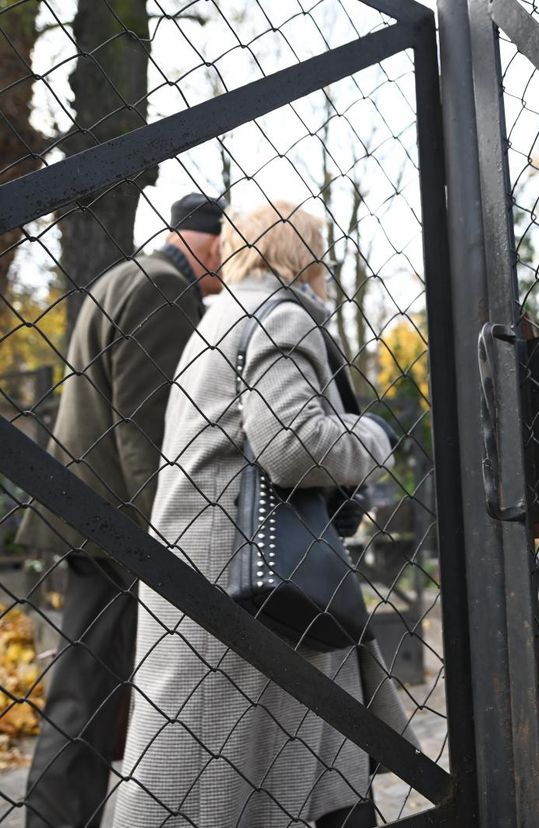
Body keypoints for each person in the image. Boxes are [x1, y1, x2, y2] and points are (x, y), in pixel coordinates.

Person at [113, 201, 411, 828]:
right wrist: (375, 436)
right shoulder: (279, 316)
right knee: (282, 775)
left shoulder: (220, 316)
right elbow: (293, 445)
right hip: (256, 587)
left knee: (221, 772)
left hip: (207, 573)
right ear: (302, 254)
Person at [16, 193, 228, 828]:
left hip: (91, 516)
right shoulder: (166, 289)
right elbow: (147, 434)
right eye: (229, 256)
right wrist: (170, 540)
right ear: (211, 245)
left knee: (92, 695)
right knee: (87, 704)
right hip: (118, 529)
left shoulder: (126, 273)